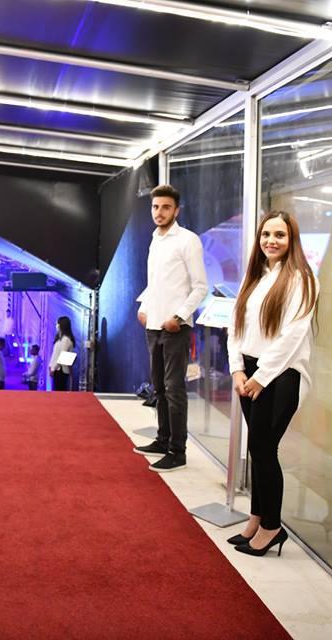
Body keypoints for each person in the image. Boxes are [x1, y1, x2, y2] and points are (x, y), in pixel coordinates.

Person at [226, 210, 318, 557]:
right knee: (257, 449)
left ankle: (272, 527)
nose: (271, 241)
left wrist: (261, 377)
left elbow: (293, 335)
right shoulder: (255, 276)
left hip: (280, 376)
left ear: (292, 239)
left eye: (279, 235)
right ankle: (257, 519)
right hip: (250, 372)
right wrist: (237, 370)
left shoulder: (302, 279)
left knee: (264, 450)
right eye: (266, 234)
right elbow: (235, 327)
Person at [133, 184, 207, 473]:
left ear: (176, 210)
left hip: (175, 327)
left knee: (175, 389)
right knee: (160, 388)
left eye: (165, 207)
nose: (159, 212)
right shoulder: (155, 239)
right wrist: (143, 307)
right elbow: (156, 283)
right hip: (153, 324)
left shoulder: (188, 240)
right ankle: (163, 439)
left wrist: (179, 316)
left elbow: (200, 287)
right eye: (155, 207)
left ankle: (178, 451)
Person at [48, 316, 76, 391]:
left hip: (61, 370)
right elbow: (54, 354)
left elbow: (62, 356)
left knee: (60, 390)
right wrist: (50, 365)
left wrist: (53, 368)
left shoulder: (66, 340)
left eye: (57, 323)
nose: (56, 326)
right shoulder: (58, 340)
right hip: (56, 369)